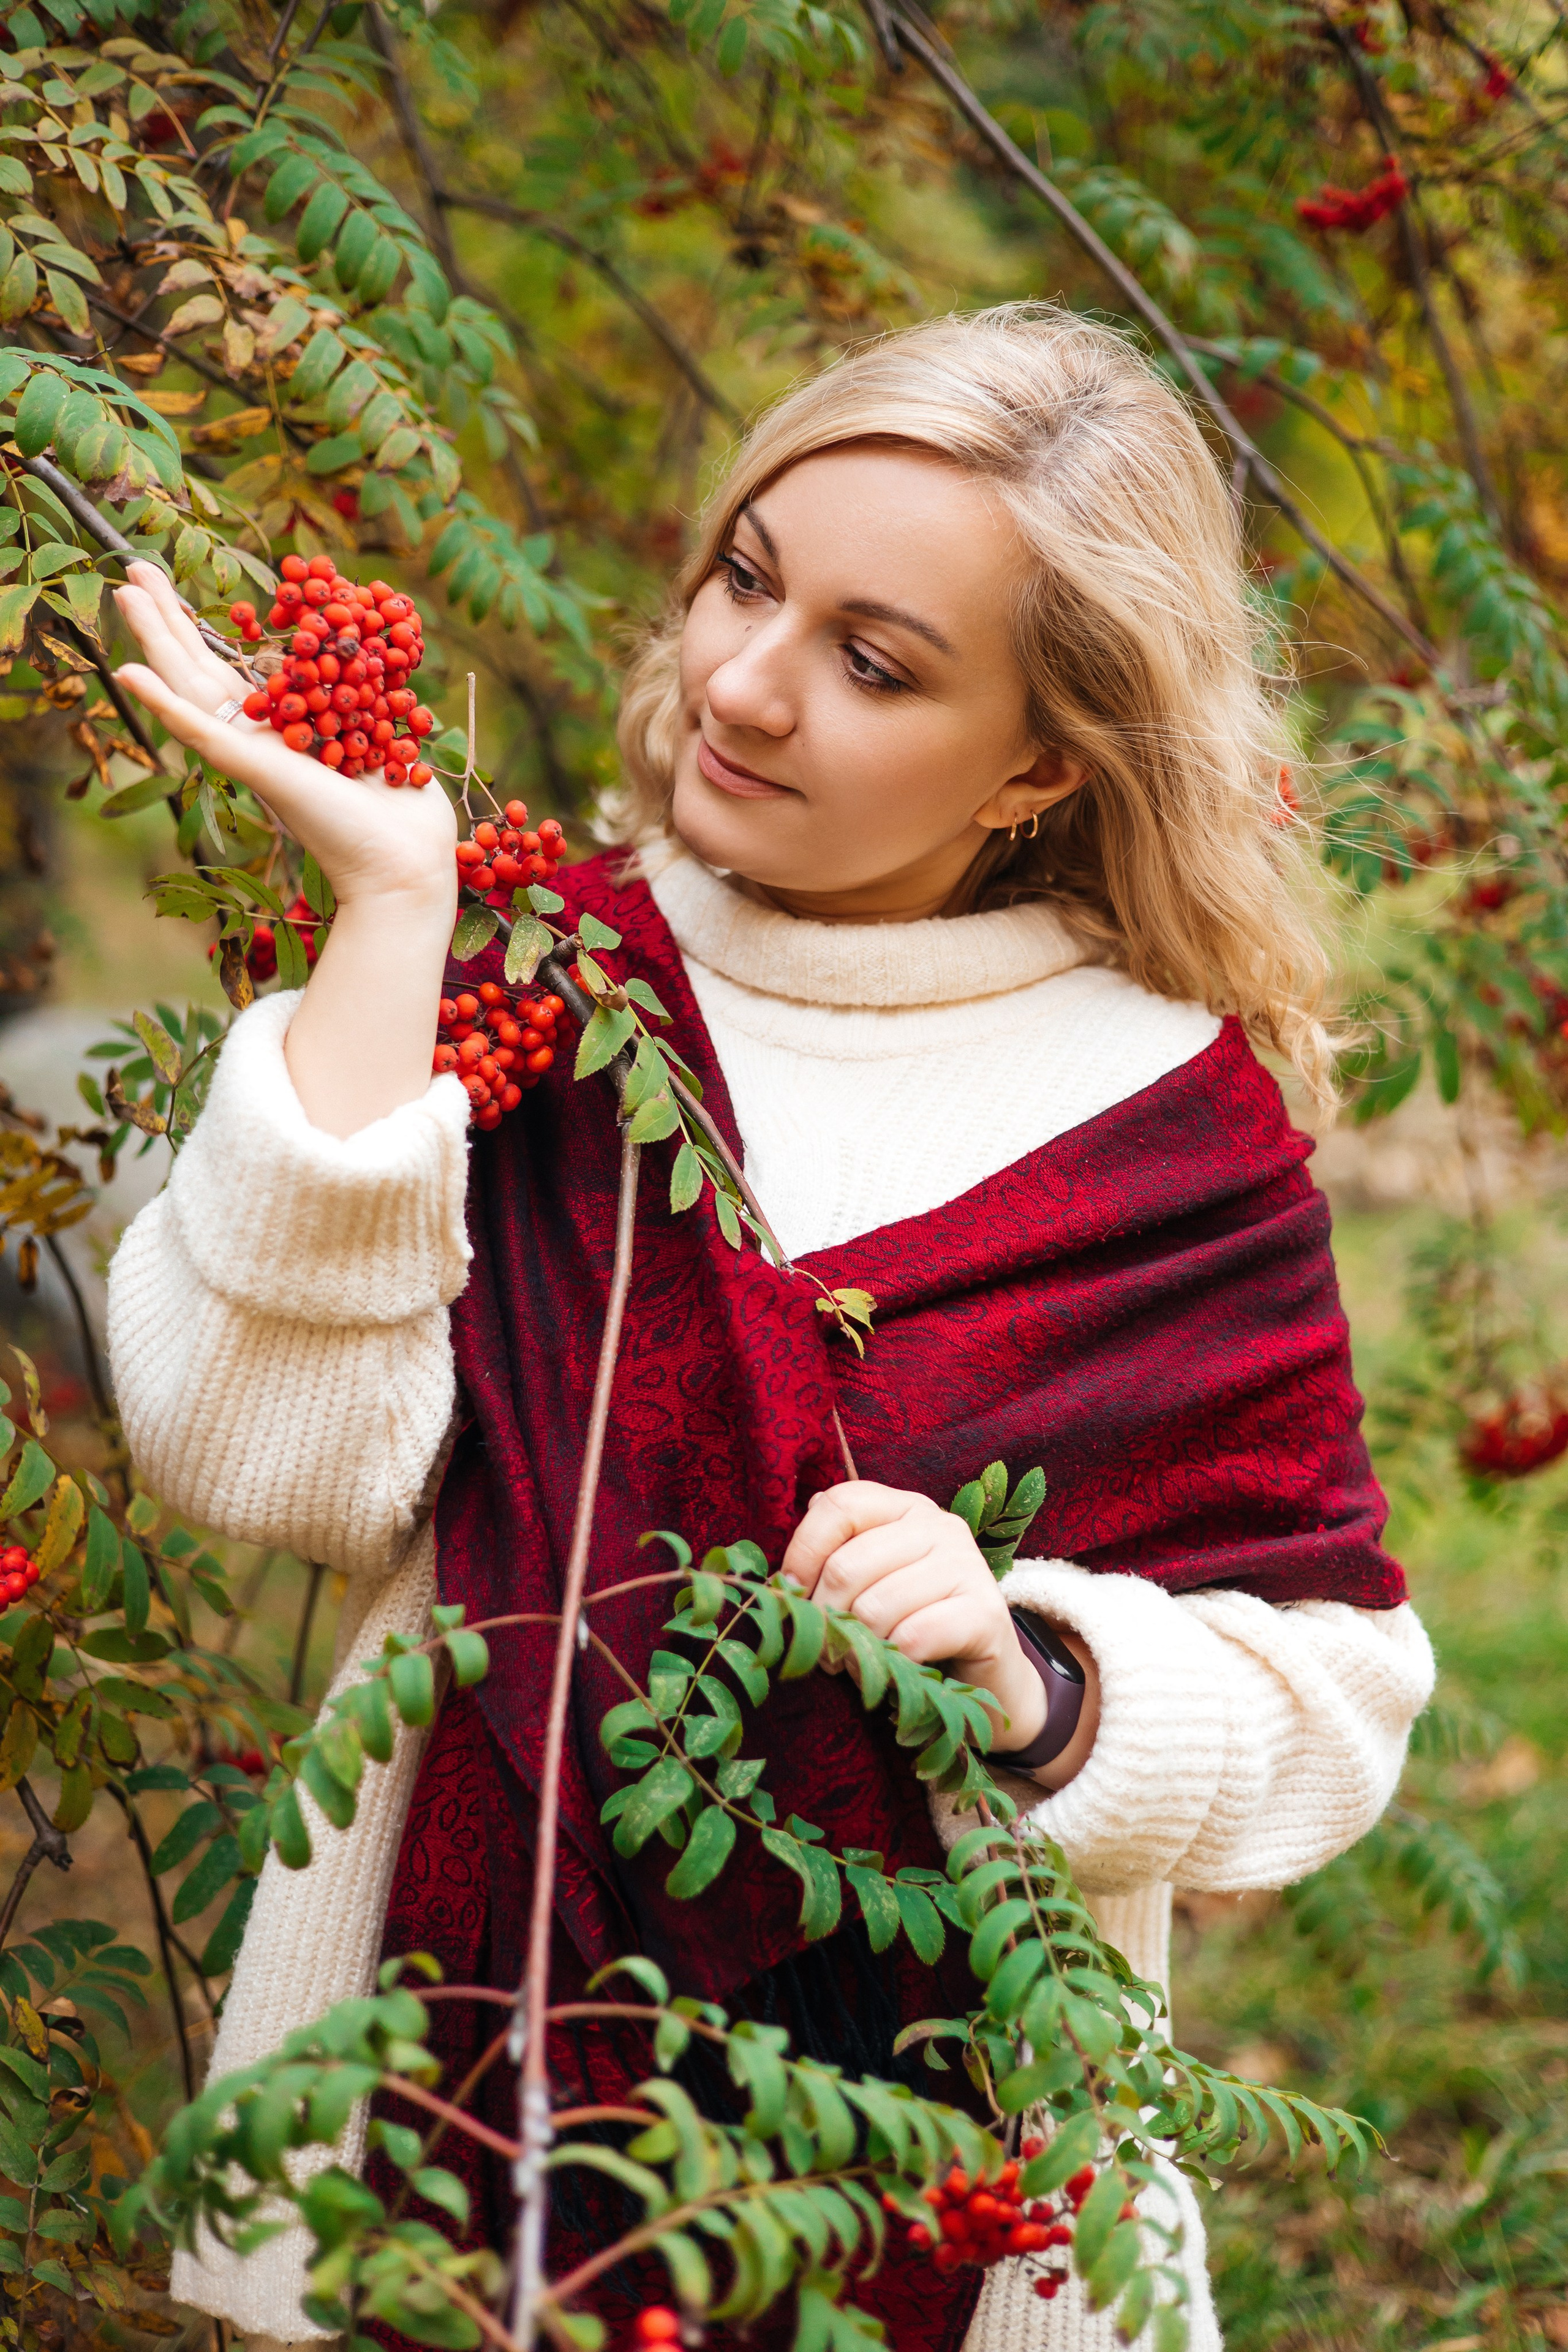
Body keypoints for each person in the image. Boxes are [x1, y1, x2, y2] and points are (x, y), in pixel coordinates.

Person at [105, 305, 1434, 2352]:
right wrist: (386, 923)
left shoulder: (1168, 1132)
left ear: (1043, 762)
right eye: (750, 577)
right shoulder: (537, 975)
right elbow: (263, 1463)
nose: (741, 679)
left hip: (947, 2142)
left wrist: (1043, 1674)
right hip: (446, 2069)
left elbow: (1337, 1695)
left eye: (872, 660)